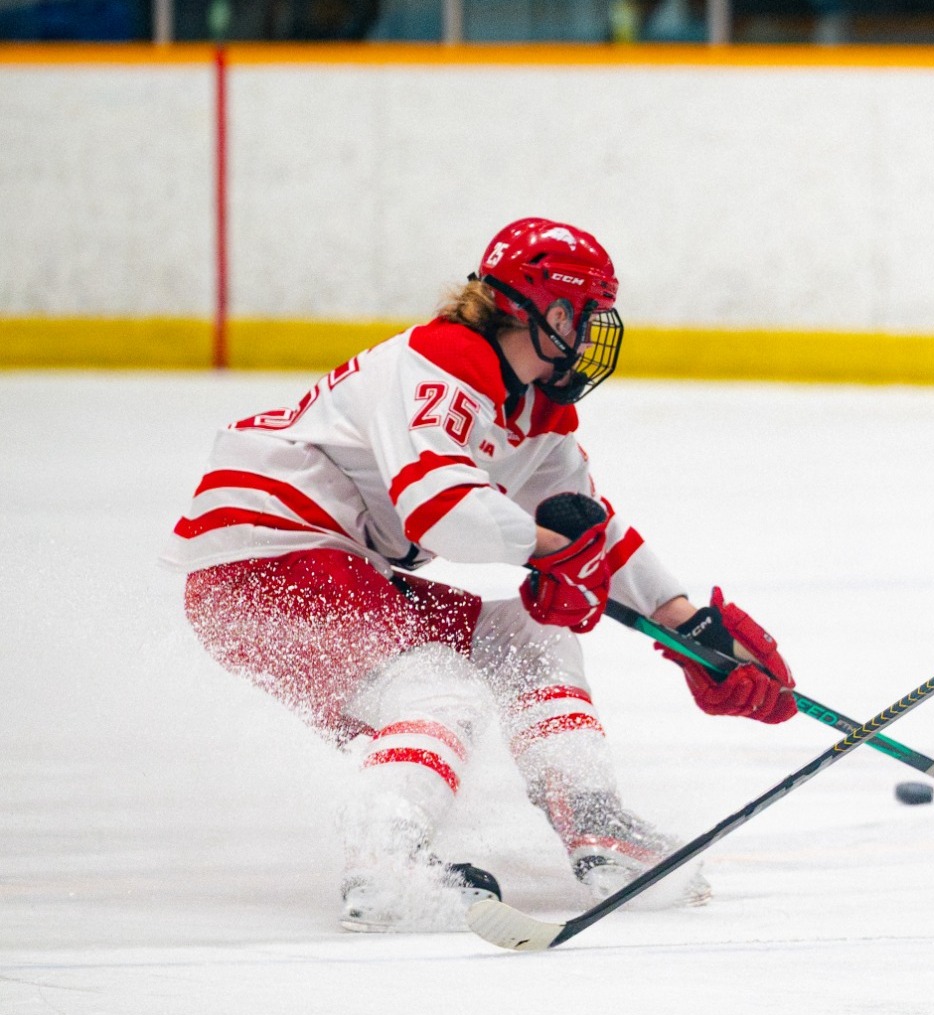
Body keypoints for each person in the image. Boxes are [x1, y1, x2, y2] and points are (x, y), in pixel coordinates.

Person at [166, 218, 797, 931]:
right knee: (439, 689)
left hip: (334, 563)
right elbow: (443, 512)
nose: (593, 336)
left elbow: (594, 532)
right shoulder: (443, 359)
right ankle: (385, 860)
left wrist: (692, 627)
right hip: (263, 556)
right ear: (545, 308)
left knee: (529, 634)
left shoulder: (532, 405)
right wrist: (545, 548)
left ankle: (594, 823)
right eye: (585, 315)